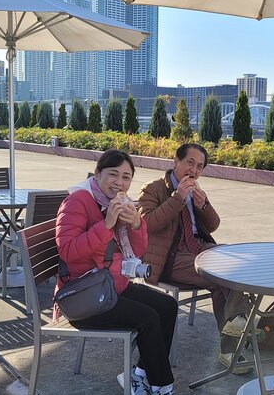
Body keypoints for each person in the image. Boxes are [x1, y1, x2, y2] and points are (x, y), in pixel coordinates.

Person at [55, 149, 177, 395]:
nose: (120, 183)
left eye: (126, 177)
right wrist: (107, 224)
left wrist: (135, 224)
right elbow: (67, 250)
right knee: (148, 318)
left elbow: (138, 249)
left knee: (167, 306)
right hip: (84, 296)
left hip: (111, 285)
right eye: (113, 175)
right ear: (98, 173)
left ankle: (140, 374)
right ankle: (162, 386)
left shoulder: (116, 202)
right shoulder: (78, 201)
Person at [138, 143, 252, 373]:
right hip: (169, 257)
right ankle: (235, 338)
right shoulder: (153, 188)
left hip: (197, 248)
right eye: (190, 162)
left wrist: (203, 205)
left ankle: (235, 327)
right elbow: (147, 223)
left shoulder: (195, 191)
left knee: (237, 263)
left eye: (200, 166)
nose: (194, 170)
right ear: (175, 162)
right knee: (219, 277)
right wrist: (178, 198)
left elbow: (213, 225)